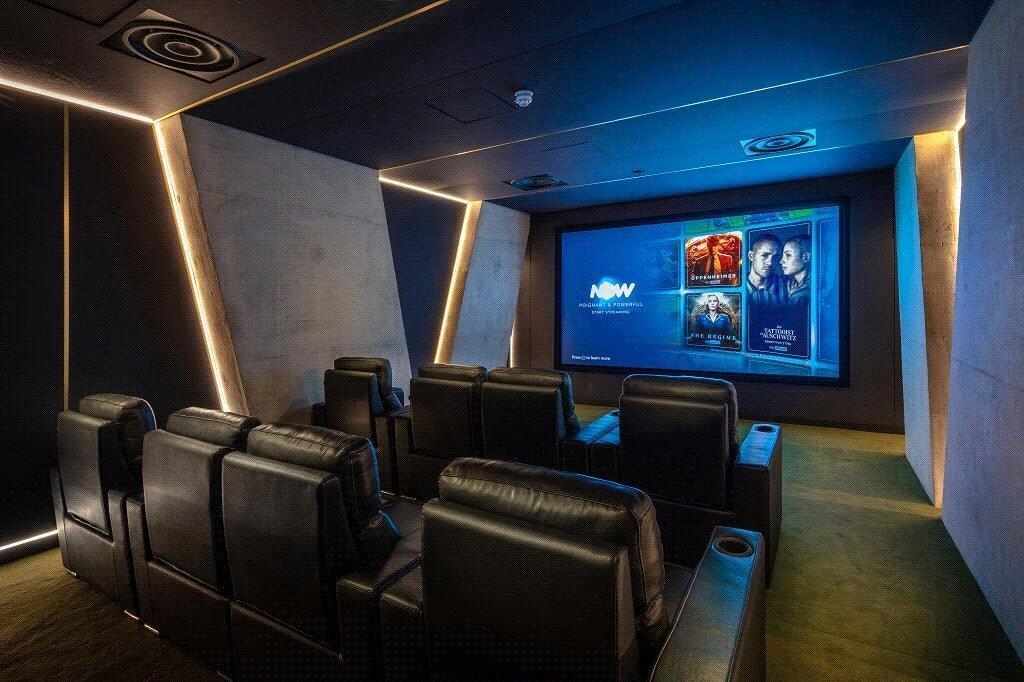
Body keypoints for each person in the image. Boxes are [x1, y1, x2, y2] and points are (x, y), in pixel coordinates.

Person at [746, 234, 783, 306]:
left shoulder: (788, 286)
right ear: (751, 256)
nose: (770, 262)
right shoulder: (735, 286)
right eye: (765, 255)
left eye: (775, 257)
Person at [780, 234, 812, 307]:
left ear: (806, 257)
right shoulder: (796, 289)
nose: (781, 261)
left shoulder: (800, 294)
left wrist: (794, 297)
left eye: (788, 255)